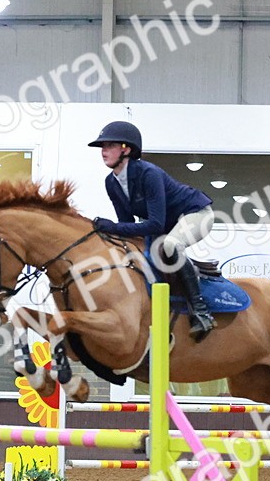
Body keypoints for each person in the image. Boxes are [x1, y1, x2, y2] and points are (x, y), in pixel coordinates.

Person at [88, 121, 216, 341]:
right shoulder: (111, 182)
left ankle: (201, 311)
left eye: (110, 146)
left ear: (126, 149)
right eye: (102, 147)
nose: (103, 151)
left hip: (195, 213)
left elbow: (155, 224)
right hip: (168, 223)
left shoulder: (148, 173)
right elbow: (126, 224)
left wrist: (112, 226)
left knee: (171, 245)